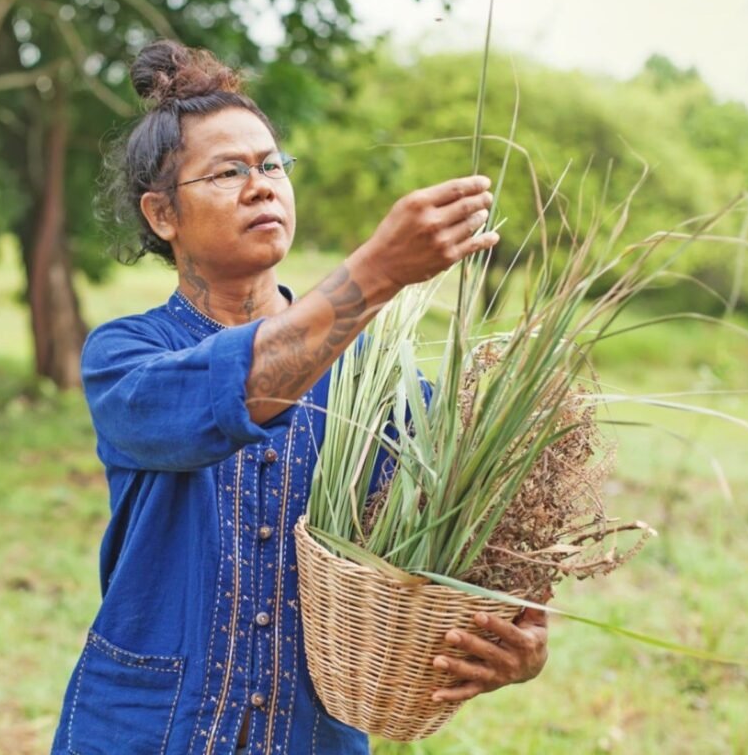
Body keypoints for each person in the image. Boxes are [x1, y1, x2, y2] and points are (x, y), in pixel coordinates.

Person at [50, 40, 548, 755]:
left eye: (272, 165)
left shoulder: (378, 382)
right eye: (227, 172)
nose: (261, 185)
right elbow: (237, 393)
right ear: (162, 216)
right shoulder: (127, 356)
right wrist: (376, 272)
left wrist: (520, 629)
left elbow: (462, 537)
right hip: (143, 732)